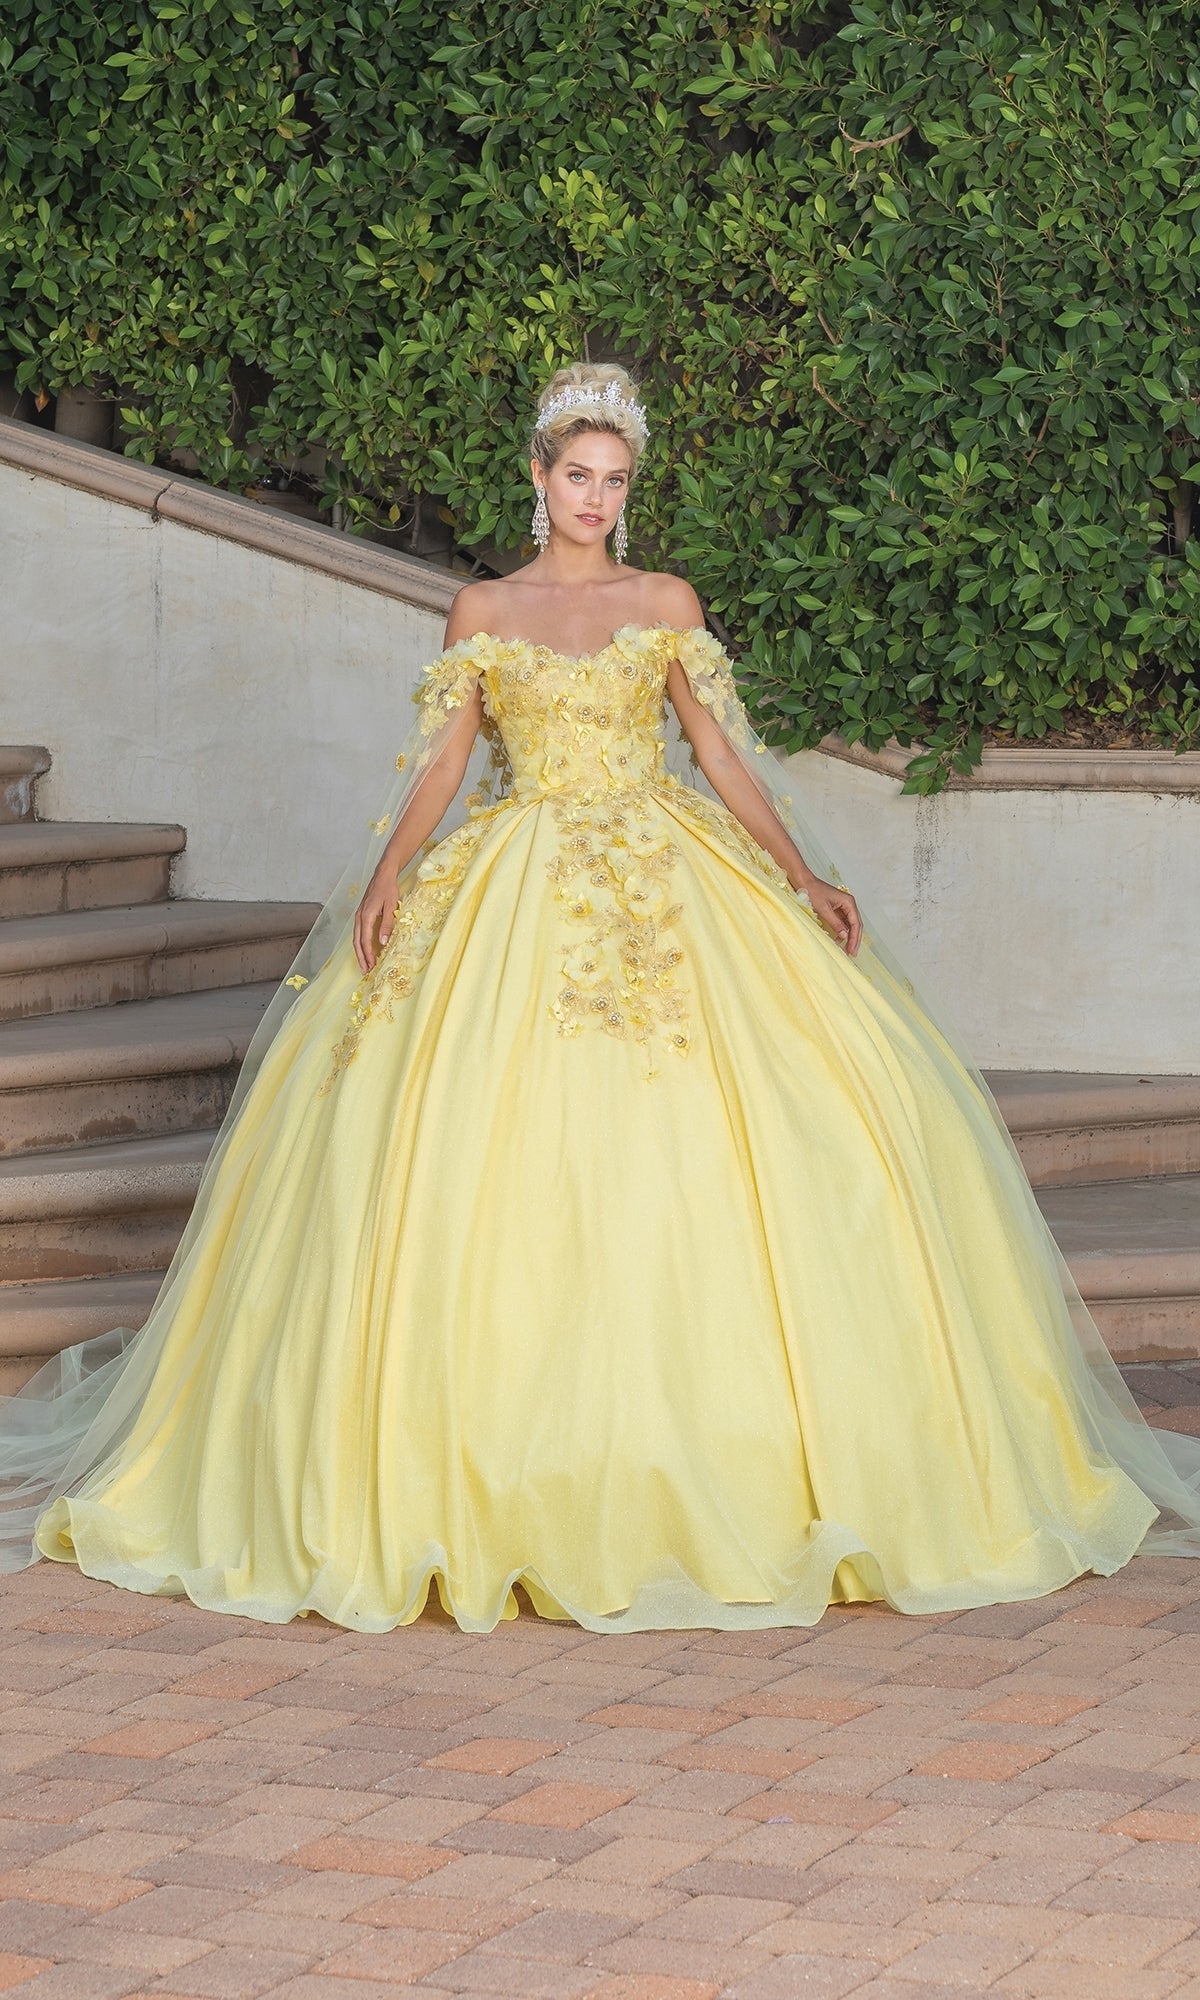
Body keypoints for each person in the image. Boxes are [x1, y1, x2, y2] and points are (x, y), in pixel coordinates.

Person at [1, 361, 1198, 1633]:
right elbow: (445, 763)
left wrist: (801, 874)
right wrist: (391, 872)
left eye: (615, 480)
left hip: (672, 872)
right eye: (577, 475)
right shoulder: (482, 611)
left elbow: (724, 753)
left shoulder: (665, 600)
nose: (595, 497)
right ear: (537, 476)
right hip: (511, 877)